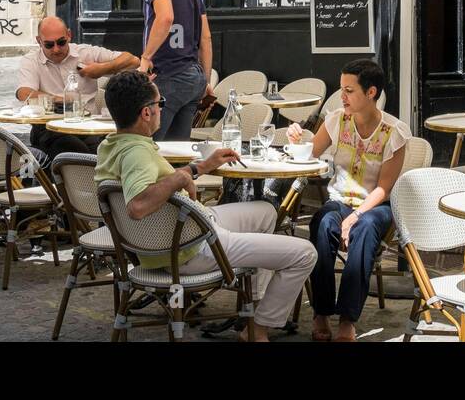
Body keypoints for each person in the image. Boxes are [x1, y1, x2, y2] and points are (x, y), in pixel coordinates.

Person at [94, 71, 316, 341]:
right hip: (190, 249)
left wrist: (199, 167)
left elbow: (152, 184)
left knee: (266, 211)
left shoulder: (112, 145)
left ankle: (253, 302)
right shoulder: (136, 154)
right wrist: (178, 178)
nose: (161, 109)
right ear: (146, 113)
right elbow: (138, 206)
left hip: (177, 234)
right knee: (304, 253)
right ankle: (258, 329)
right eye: (160, 104)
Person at [285, 58, 410, 342]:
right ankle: (321, 312)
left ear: (371, 93)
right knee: (323, 222)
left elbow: (384, 189)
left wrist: (355, 216)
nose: (342, 97)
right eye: (342, 89)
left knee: (364, 229)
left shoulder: (395, 133)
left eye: (349, 91)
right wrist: (296, 140)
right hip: (339, 201)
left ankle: (347, 319)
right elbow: (310, 153)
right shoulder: (335, 120)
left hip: (376, 206)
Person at [127, 0, 213, 142]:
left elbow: (165, 18)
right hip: (193, 79)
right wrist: (206, 82)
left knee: (145, 149)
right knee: (175, 155)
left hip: (167, 75)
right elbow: (206, 39)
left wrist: (146, 58)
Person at [17, 16, 138, 160]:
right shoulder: (31, 60)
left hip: (89, 128)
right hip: (49, 129)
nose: (56, 49)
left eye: (61, 42)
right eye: (49, 45)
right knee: (78, 152)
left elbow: (133, 60)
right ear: (39, 41)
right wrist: (62, 100)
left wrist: (101, 69)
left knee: (124, 150)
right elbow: (24, 93)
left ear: (69, 35)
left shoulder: (85, 52)